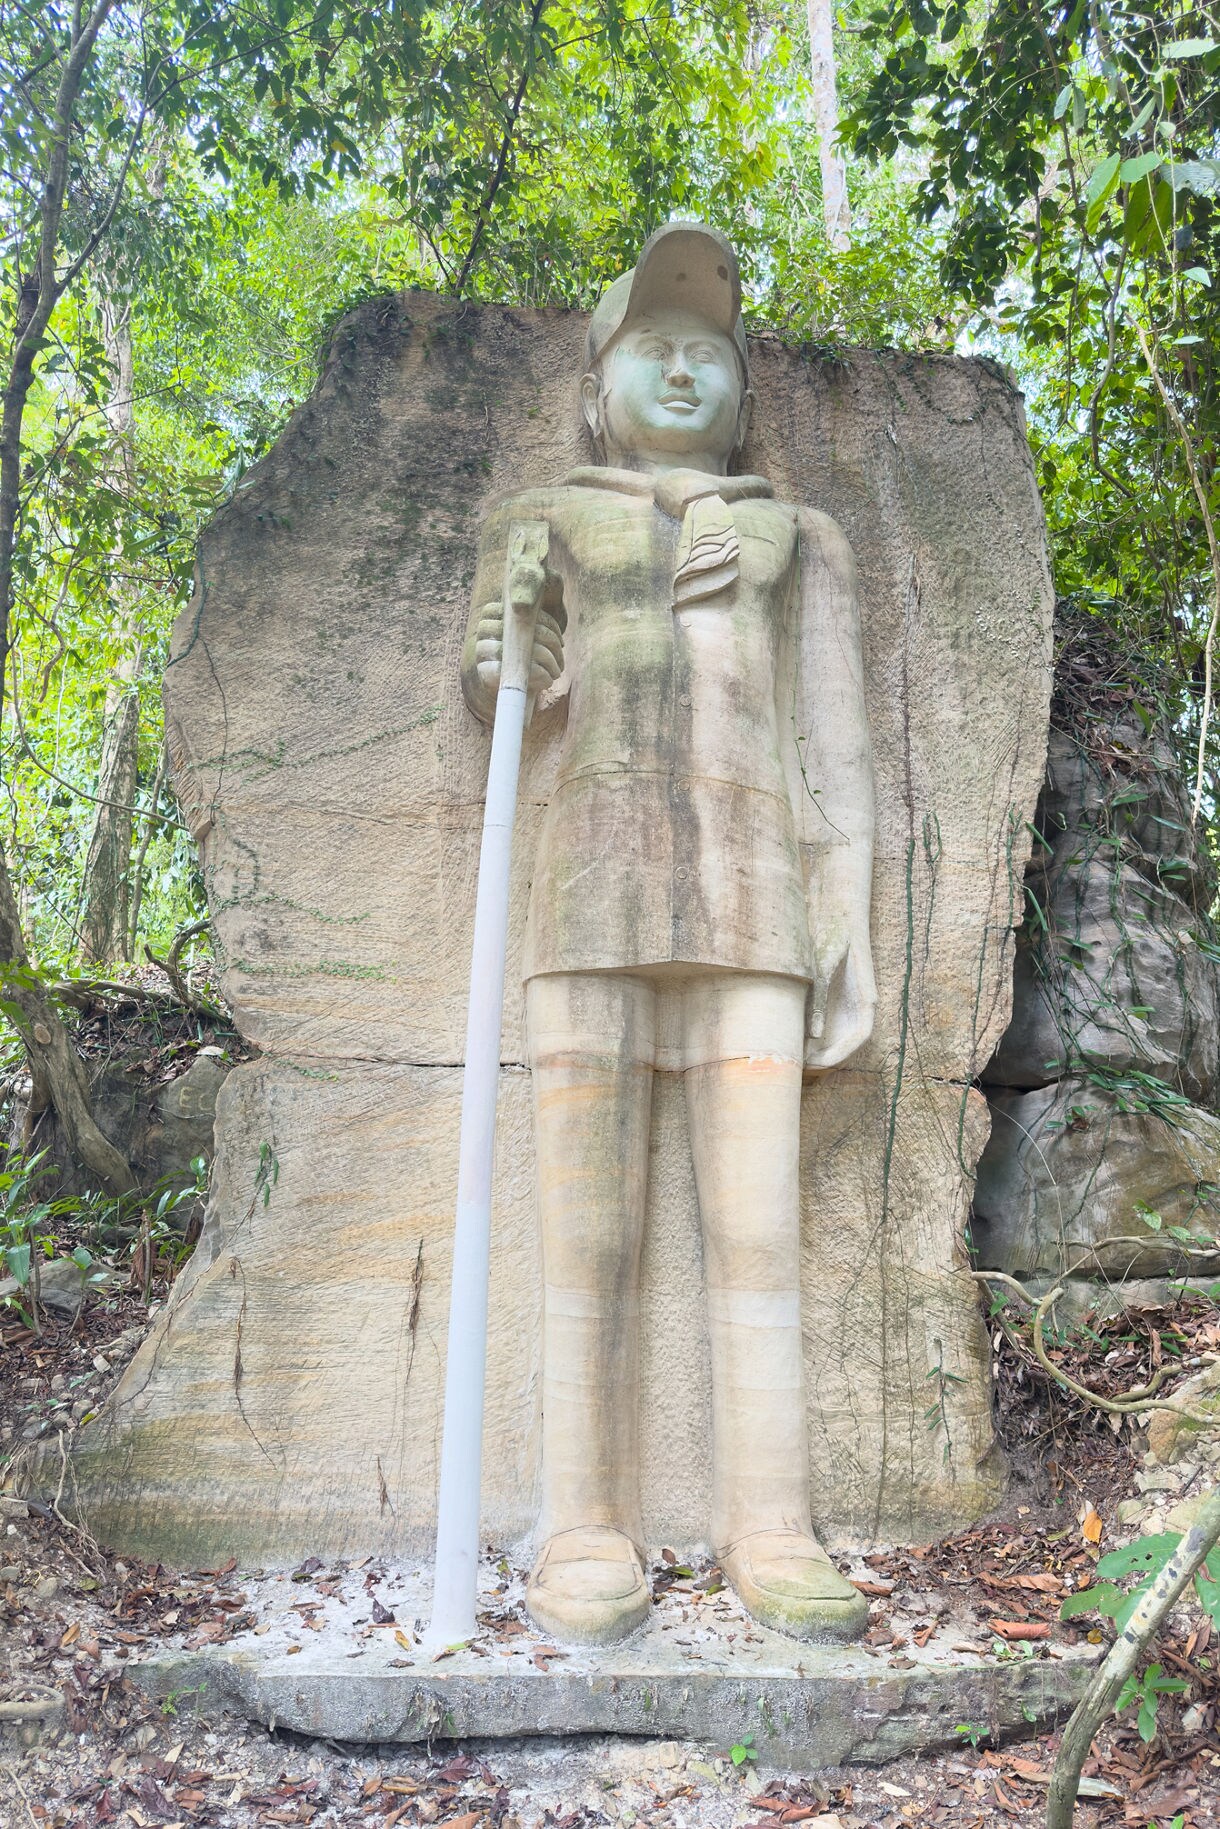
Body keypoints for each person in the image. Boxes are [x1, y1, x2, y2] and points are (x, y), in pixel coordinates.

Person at [460, 222, 875, 1646]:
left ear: (744, 387)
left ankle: (771, 1520)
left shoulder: (794, 535)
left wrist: (849, 925)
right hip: (586, 893)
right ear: (600, 380)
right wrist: (511, 639)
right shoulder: (547, 519)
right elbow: (506, 692)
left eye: (710, 350)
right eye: (657, 345)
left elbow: (838, 745)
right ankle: (586, 1518)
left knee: (757, 1229)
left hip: (756, 898)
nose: (686, 367)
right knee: (592, 1238)